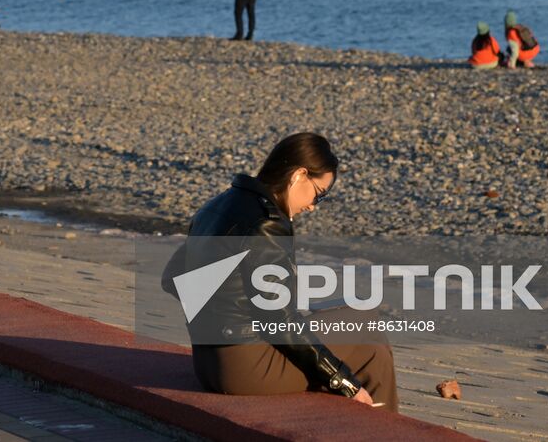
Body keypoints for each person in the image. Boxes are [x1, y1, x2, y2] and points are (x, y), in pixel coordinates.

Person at [162, 133, 397, 409]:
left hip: (208, 363)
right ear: (298, 175)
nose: (312, 206)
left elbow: (172, 277)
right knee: (366, 322)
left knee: (370, 344)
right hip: (246, 370)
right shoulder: (268, 224)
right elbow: (282, 321)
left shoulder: (217, 206)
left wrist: (219, 317)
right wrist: (342, 380)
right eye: (319, 194)